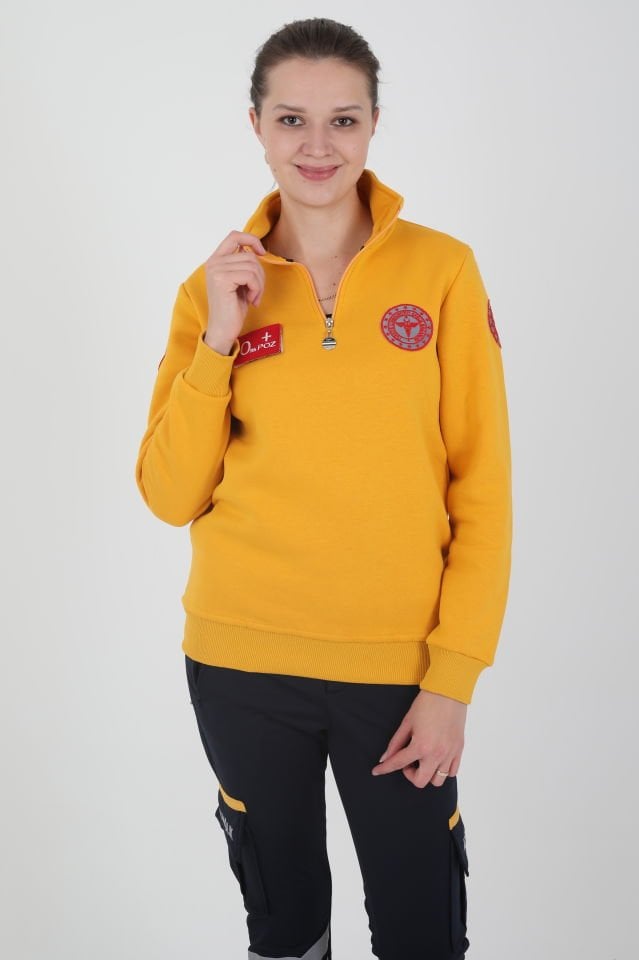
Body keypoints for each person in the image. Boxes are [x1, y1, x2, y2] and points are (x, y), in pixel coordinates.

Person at [134, 16, 512, 960]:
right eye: (291, 119)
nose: (317, 145)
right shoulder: (210, 290)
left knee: (423, 930)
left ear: (374, 123)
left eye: (342, 120)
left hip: (398, 672)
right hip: (240, 665)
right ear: (256, 126)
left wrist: (452, 680)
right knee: (285, 925)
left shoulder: (442, 270)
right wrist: (219, 340)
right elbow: (170, 494)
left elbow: (483, 489)